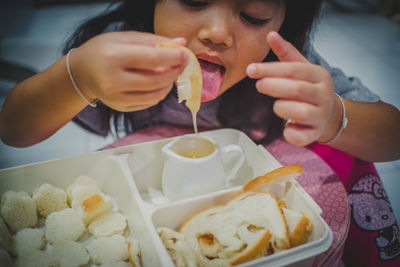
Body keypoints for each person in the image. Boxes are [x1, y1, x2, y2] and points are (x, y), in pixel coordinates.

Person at [0, 0, 399, 266]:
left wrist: (333, 116)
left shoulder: (284, 62)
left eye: (254, 14)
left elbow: (391, 135)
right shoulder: (119, 50)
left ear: (285, 22)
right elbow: (13, 128)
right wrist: (79, 77)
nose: (216, 32)